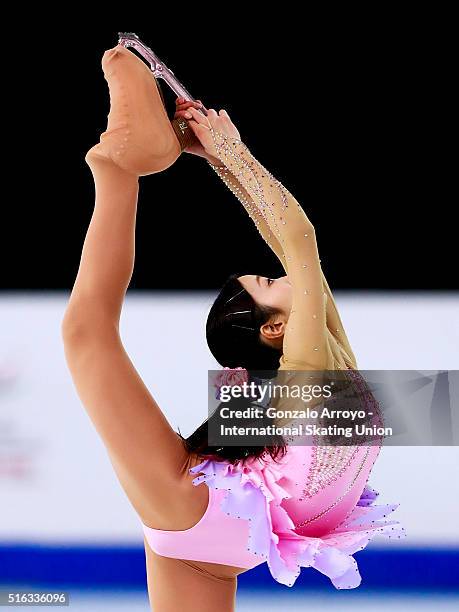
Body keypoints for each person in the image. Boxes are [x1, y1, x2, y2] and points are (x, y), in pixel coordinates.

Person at [61, 44, 405, 612]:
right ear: (275, 331)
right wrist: (227, 156)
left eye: (268, 282)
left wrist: (229, 157)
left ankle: (119, 168)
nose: (282, 276)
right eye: (271, 283)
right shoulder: (326, 370)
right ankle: (119, 166)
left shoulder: (309, 373)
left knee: (87, 335)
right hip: (230, 539)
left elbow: (295, 246)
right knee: (85, 336)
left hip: (221, 520)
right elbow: (298, 242)